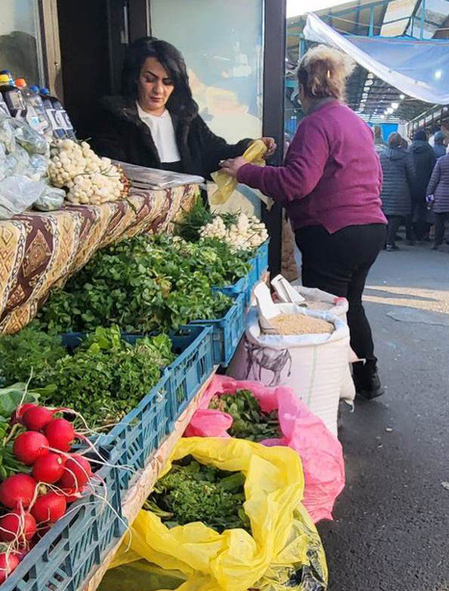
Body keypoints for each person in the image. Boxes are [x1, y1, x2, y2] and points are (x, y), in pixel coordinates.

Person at [218, 46, 387, 400]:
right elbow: (371, 176)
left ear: (305, 86)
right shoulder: (356, 123)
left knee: (323, 316)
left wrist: (245, 171)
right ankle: (366, 377)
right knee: (350, 304)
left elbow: (297, 182)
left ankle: (326, 396)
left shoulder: (315, 124)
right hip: (370, 228)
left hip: (332, 233)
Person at [86, 37, 275, 178]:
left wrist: (250, 146)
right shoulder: (115, 119)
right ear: (136, 78)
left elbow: (216, 152)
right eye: (149, 79)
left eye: (167, 82)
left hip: (189, 216)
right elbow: (110, 172)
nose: (158, 90)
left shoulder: (186, 117)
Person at [379, 132, 416, 250]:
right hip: (400, 189)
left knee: (384, 215)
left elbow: (377, 172)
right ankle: (390, 242)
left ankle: (383, 242)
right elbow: (412, 173)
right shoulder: (406, 155)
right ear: (399, 142)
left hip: (383, 189)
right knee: (396, 216)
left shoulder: (381, 155)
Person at [408, 129, 437, 241]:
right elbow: (433, 170)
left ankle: (410, 234)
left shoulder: (409, 149)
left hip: (411, 186)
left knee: (410, 210)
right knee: (425, 209)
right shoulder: (430, 150)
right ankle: (422, 234)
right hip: (427, 187)